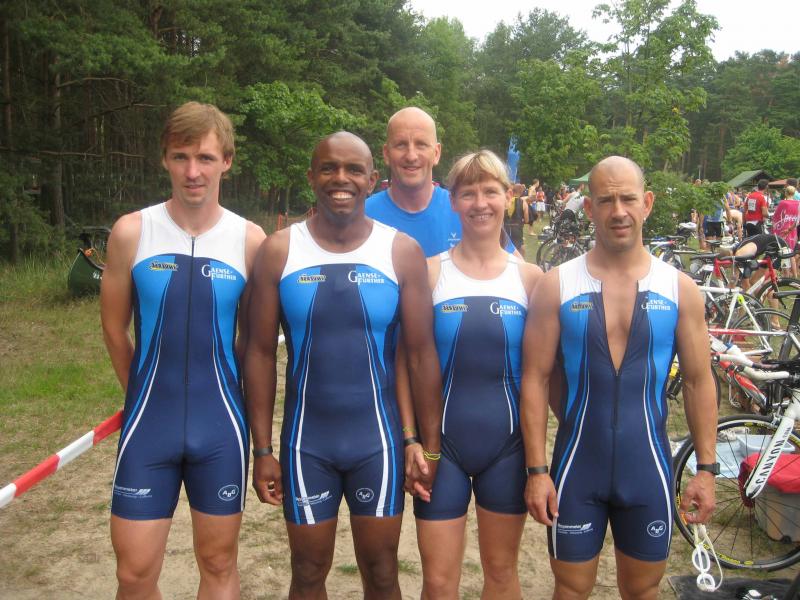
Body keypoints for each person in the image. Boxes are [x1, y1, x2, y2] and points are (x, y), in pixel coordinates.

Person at [244, 131, 443, 599]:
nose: (341, 179)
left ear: (372, 180)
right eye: (329, 168)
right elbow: (258, 352)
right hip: (306, 444)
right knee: (307, 570)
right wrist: (262, 449)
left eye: (354, 169)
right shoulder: (279, 250)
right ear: (311, 177)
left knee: (382, 571)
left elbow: (420, 355)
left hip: (378, 443)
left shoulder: (401, 252)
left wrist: (429, 449)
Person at [521, 156, 718, 600]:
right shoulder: (557, 285)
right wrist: (536, 471)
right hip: (577, 467)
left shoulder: (679, 289)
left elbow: (698, 381)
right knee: (570, 589)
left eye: (628, 199)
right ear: (589, 208)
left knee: (643, 590)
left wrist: (706, 469)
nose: (618, 211)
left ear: (647, 203)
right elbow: (535, 378)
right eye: (606, 200)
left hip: (647, 468)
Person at [100, 101, 266, 599]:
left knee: (218, 564)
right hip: (150, 423)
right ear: (165, 160)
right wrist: (142, 392)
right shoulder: (132, 231)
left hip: (221, 427)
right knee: (133, 574)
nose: (193, 172)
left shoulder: (250, 240)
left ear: (226, 161)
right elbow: (114, 329)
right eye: (180, 157)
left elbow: (254, 343)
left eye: (205, 158)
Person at [410, 150, 542, 599]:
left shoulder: (531, 279)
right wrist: (412, 440)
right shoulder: (430, 272)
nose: (480, 203)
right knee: (438, 582)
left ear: (508, 197)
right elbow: (408, 364)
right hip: (441, 448)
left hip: (507, 449)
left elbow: (543, 376)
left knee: (501, 575)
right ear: (453, 201)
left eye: (490, 191)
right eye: (468, 193)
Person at [504, 182, 529, 250]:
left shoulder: (506, 201)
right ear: (521, 192)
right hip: (517, 229)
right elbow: (527, 220)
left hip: (505, 228)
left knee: (505, 247)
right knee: (519, 248)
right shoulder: (524, 203)